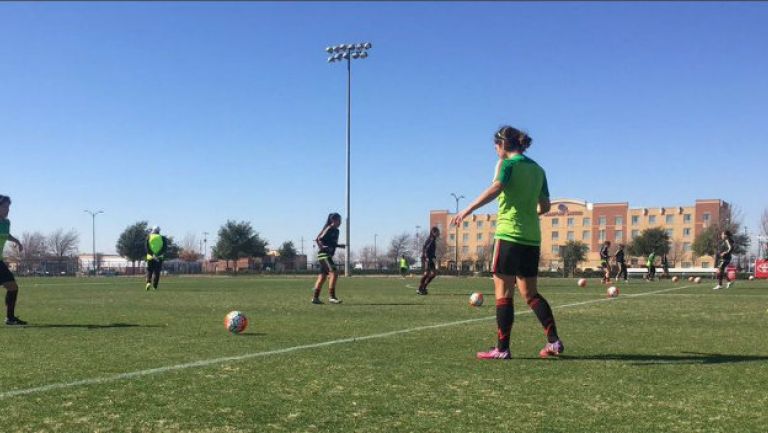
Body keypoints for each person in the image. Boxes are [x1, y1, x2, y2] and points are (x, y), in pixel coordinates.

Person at [452, 125, 563, 360]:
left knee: (504, 293)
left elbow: (497, 187)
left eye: (495, 146)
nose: (495, 150)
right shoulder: (538, 170)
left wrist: (469, 209)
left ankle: (502, 349)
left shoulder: (507, 165)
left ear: (502, 144)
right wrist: (528, 211)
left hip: (509, 236)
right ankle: (553, 341)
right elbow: (545, 206)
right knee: (531, 294)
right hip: (531, 238)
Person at [0, 195, 27, 326]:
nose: (7, 210)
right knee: (12, 287)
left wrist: (17, 241)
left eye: (8, 207)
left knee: (12, 287)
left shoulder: (6, 223)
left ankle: (10, 318)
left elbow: (6, 235)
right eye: (4, 207)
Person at [312, 213, 345, 304]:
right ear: (333, 220)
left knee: (322, 277)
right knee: (334, 272)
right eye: (339, 220)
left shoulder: (337, 231)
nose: (340, 222)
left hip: (328, 255)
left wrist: (339, 245)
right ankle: (332, 297)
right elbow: (319, 239)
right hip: (323, 255)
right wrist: (322, 247)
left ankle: (315, 298)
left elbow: (331, 243)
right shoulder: (329, 228)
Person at [416, 227, 440, 295]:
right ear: (434, 232)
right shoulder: (431, 239)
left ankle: (423, 287)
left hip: (430, 258)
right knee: (427, 274)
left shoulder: (433, 240)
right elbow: (426, 249)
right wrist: (426, 257)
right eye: (437, 232)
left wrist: (433, 256)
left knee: (433, 274)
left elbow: (429, 249)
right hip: (426, 258)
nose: (439, 233)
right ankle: (420, 288)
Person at [145, 226, 168, 290]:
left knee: (149, 271)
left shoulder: (149, 237)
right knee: (157, 272)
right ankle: (155, 286)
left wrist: (153, 254)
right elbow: (164, 248)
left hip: (150, 257)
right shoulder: (162, 238)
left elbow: (147, 248)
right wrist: (157, 255)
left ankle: (148, 282)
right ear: (159, 231)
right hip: (159, 258)